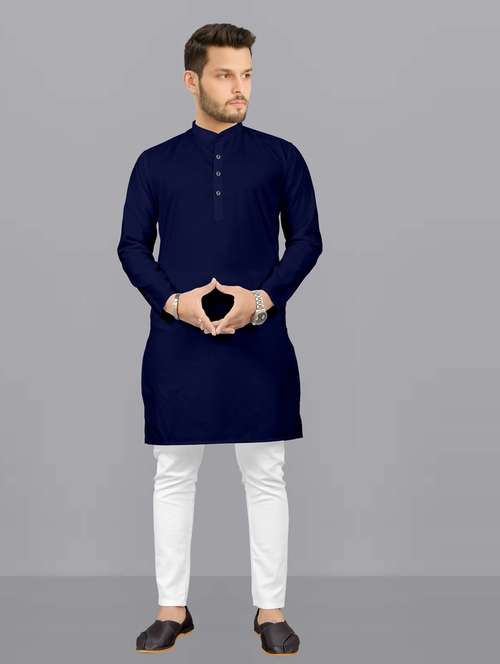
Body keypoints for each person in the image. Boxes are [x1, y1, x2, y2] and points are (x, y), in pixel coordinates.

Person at [117, 22, 323, 655]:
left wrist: (258, 301)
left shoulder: (282, 157)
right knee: (173, 473)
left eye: (248, 74)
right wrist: (174, 302)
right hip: (176, 342)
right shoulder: (154, 163)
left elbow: (307, 241)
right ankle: (171, 608)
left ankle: (271, 610)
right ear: (192, 80)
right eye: (225, 75)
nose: (241, 88)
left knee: (266, 472)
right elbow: (132, 246)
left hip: (260, 340)